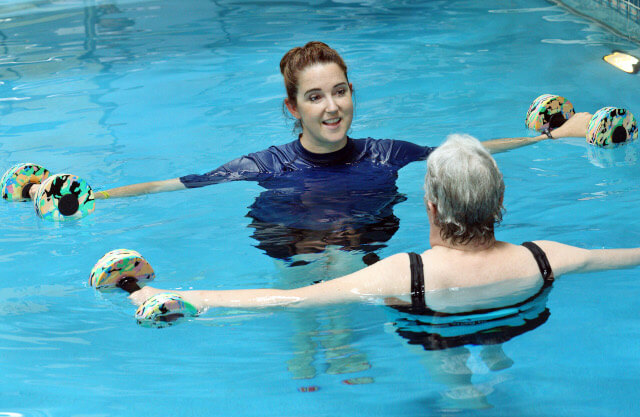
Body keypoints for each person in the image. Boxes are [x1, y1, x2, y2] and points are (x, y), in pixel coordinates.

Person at [87, 41, 591, 270]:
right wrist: (95, 195)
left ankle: (335, 337)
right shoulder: (267, 164)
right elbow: (179, 184)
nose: (332, 107)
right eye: (315, 96)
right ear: (293, 107)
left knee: (345, 258)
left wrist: (554, 137)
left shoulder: (386, 152)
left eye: (341, 91)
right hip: (295, 248)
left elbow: (463, 152)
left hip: (363, 245)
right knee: (318, 270)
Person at [128, 133, 640, 313]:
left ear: (430, 206)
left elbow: (286, 300)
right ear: (500, 202)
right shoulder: (544, 257)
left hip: (432, 320)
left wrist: (177, 296)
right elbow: (626, 256)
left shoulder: (405, 273)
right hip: (519, 311)